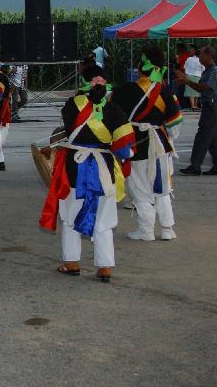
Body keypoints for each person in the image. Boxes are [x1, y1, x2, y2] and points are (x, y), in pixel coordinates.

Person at [39, 65, 135, 282]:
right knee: (104, 217)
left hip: (75, 168)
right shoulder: (115, 110)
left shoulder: (71, 105)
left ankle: (71, 262)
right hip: (103, 169)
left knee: (71, 214)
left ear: (83, 82)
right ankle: (105, 267)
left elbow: (68, 130)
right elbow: (125, 149)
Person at [111, 46, 182, 241]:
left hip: (137, 145)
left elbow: (113, 114)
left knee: (140, 189)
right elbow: (174, 124)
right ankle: (168, 229)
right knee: (163, 188)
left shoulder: (125, 90)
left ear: (141, 67)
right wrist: (167, 139)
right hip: (161, 145)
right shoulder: (166, 91)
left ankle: (146, 230)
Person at [177, 46, 217, 175]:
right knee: (212, 137)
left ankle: (195, 165)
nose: (199, 57)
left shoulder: (213, 71)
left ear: (209, 56)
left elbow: (205, 87)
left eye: (201, 55)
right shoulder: (208, 70)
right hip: (210, 106)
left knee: (203, 136)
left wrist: (188, 82)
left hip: (211, 106)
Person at [184, 46, 204, 110]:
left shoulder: (189, 59)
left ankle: (192, 105)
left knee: (191, 91)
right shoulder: (201, 59)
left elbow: (185, 67)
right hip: (198, 76)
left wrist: (186, 74)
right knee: (197, 91)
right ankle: (195, 105)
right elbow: (203, 68)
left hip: (189, 75)